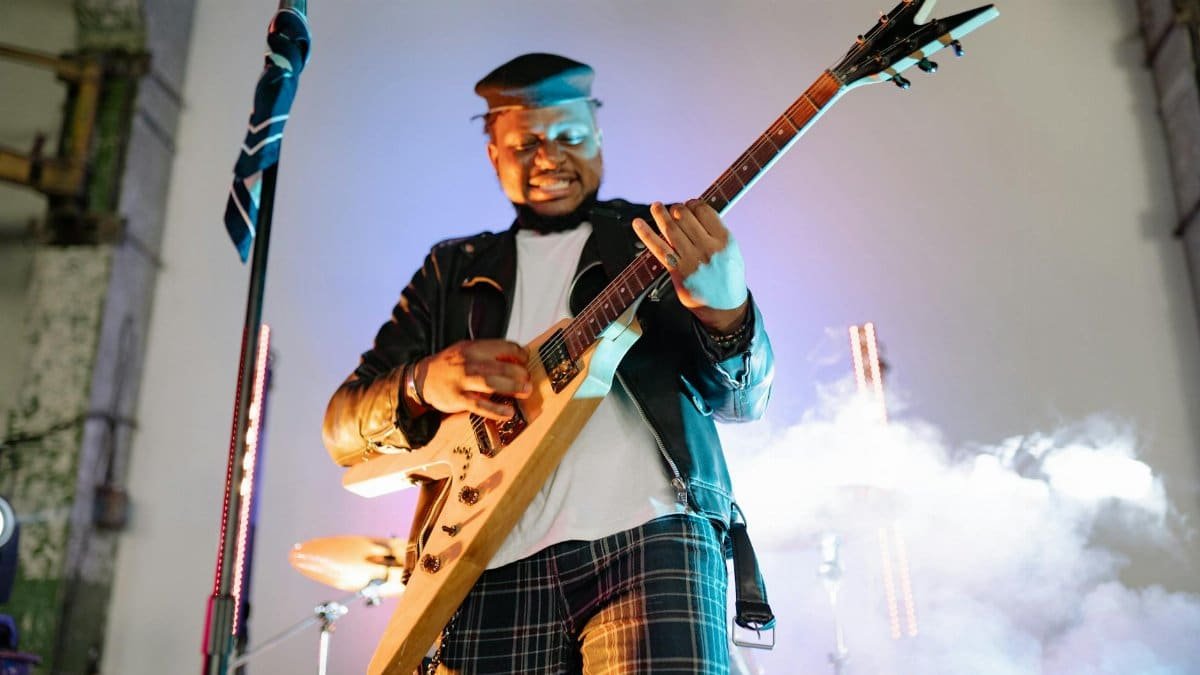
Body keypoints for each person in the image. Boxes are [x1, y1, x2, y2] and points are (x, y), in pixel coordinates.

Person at [323, 52, 774, 674]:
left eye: (570, 137)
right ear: (493, 155)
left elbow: (742, 401)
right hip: (481, 567)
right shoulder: (448, 271)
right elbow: (344, 427)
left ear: (598, 138)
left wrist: (726, 310)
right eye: (526, 143)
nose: (549, 157)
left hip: (652, 537)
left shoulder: (655, 239)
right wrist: (429, 380)